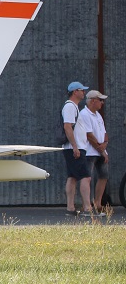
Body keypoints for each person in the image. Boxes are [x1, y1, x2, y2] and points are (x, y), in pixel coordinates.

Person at [62, 81, 92, 216]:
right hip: (74, 148)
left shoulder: (74, 107)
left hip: (75, 147)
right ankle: (88, 208)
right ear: (75, 92)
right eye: (82, 90)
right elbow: (67, 127)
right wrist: (75, 147)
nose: (84, 92)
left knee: (72, 177)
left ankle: (70, 208)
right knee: (86, 177)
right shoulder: (69, 107)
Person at [80, 89, 110, 213]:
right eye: (100, 100)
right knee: (87, 177)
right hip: (90, 152)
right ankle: (86, 205)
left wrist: (105, 144)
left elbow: (104, 133)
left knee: (103, 176)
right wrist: (101, 149)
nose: (102, 103)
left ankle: (97, 203)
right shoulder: (84, 114)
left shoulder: (98, 115)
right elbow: (89, 135)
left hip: (100, 151)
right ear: (93, 101)